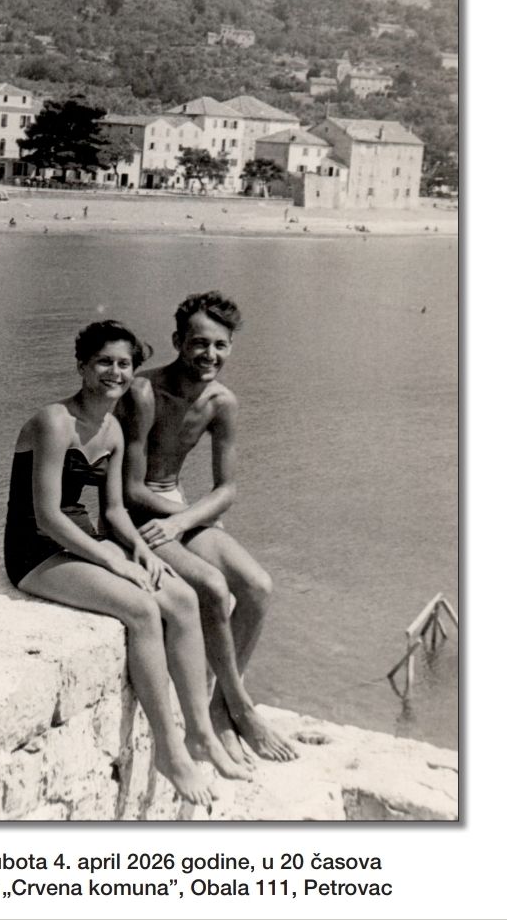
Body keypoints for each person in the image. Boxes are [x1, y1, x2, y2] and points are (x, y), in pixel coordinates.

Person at [4, 319, 250, 802]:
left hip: (83, 540)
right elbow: (48, 517)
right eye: (104, 362)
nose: (115, 373)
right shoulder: (55, 421)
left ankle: (200, 733)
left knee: (181, 597)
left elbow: (115, 510)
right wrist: (114, 563)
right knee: (140, 609)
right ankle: (169, 751)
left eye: (124, 364)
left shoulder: (113, 429)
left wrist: (137, 548)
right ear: (82, 366)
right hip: (36, 550)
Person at [118, 291, 296, 764]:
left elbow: (227, 488)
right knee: (213, 589)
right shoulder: (143, 393)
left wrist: (185, 518)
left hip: (175, 514)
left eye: (220, 345)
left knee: (258, 587)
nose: (210, 355)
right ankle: (241, 707)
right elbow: (130, 489)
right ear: (178, 341)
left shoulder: (222, 402)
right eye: (199, 343)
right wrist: (182, 516)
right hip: (133, 517)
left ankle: (221, 706)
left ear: (230, 346)